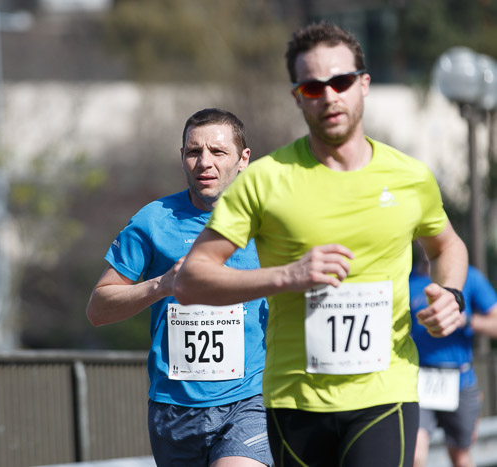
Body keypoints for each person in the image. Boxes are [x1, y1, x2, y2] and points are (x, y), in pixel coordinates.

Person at [174, 22, 469, 467]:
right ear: (298, 96)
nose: (329, 96)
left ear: (363, 84)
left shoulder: (410, 177)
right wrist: (287, 276)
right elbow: (192, 280)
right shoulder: (265, 180)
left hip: (385, 390)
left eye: (341, 81)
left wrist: (450, 294)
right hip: (295, 398)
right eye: (313, 87)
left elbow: (447, 247)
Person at [85, 108, 273, 467]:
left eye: (218, 152)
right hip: (174, 409)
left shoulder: (270, 221)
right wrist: (162, 285)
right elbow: (98, 309)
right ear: (182, 156)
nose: (205, 162)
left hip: (250, 399)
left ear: (243, 158)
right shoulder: (153, 221)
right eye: (193, 151)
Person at [410, 244, 497, 467]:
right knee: (415, 454)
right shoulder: (406, 279)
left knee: (460, 456)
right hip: (418, 380)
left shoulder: (470, 277)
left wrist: (466, 321)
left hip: (460, 379)